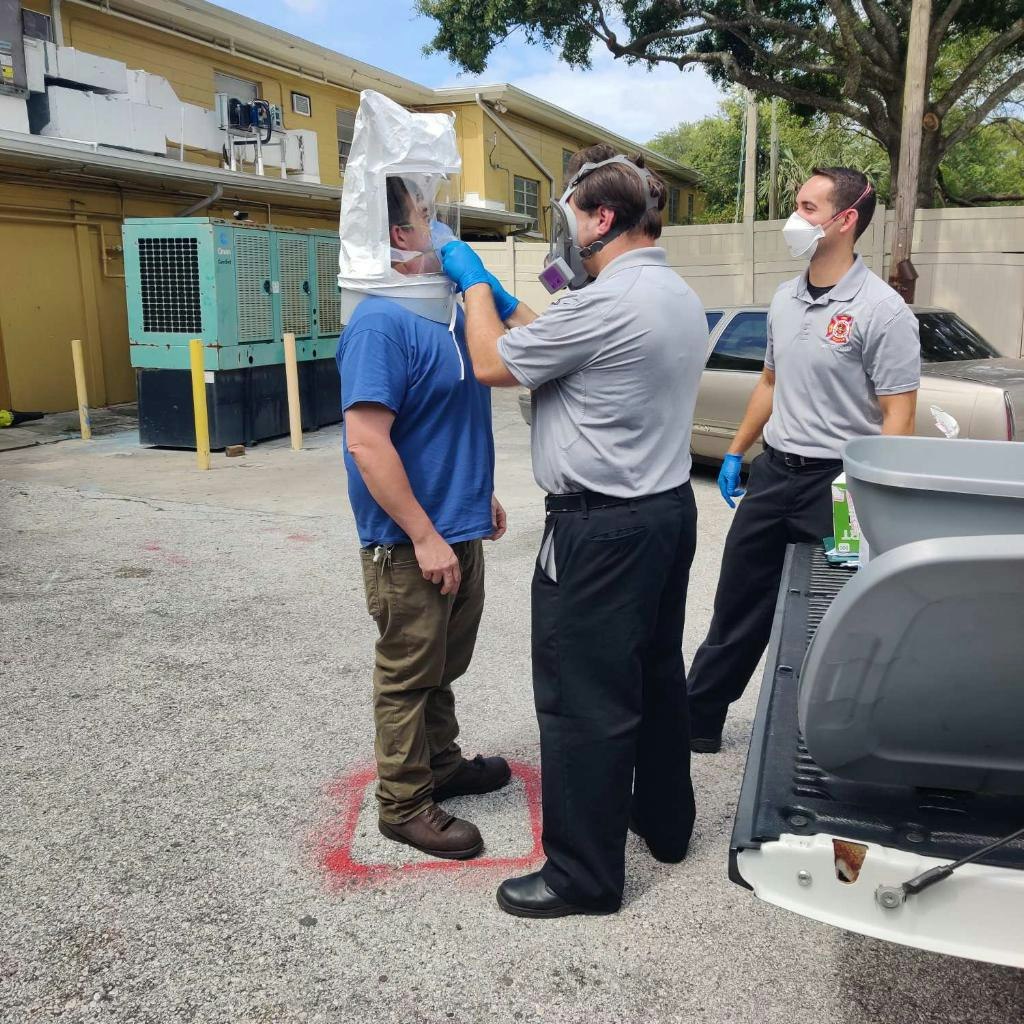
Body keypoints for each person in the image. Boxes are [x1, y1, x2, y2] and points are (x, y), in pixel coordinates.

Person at [440, 145, 709, 918]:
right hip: (663, 514)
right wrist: (504, 296)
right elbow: (559, 337)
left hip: (599, 532)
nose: (566, 238)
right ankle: (664, 824)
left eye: (570, 220)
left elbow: (493, 363)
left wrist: (471, 285)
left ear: (602, 217)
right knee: (655, 678)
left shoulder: (605, 303)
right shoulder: (670, 293)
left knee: (581, 697)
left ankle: (582, 876)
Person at [686, 167, 921, 754]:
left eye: (808, 207)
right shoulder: (786, 299)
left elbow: (898, 416)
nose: (796, 218)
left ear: (845, 221)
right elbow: (769, 380)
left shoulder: (883, 311)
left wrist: (876, 501)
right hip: (775, 473)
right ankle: (698, 718)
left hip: (838, 488)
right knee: (739, 604)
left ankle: (825, 733)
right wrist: (738, 450)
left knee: (834, 615)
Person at [336, 174, 511, 861]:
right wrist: (424, 532)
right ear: (401, 237)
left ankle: (441, 762)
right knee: (408, 672)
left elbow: (447, 422)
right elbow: (366, 443)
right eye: (429, 219)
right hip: (411, 543)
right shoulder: (380, 322)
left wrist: (475, 497)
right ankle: (404, 802)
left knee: (445, 662)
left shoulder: (441, 314)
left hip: (457, 527)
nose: (443, 230)